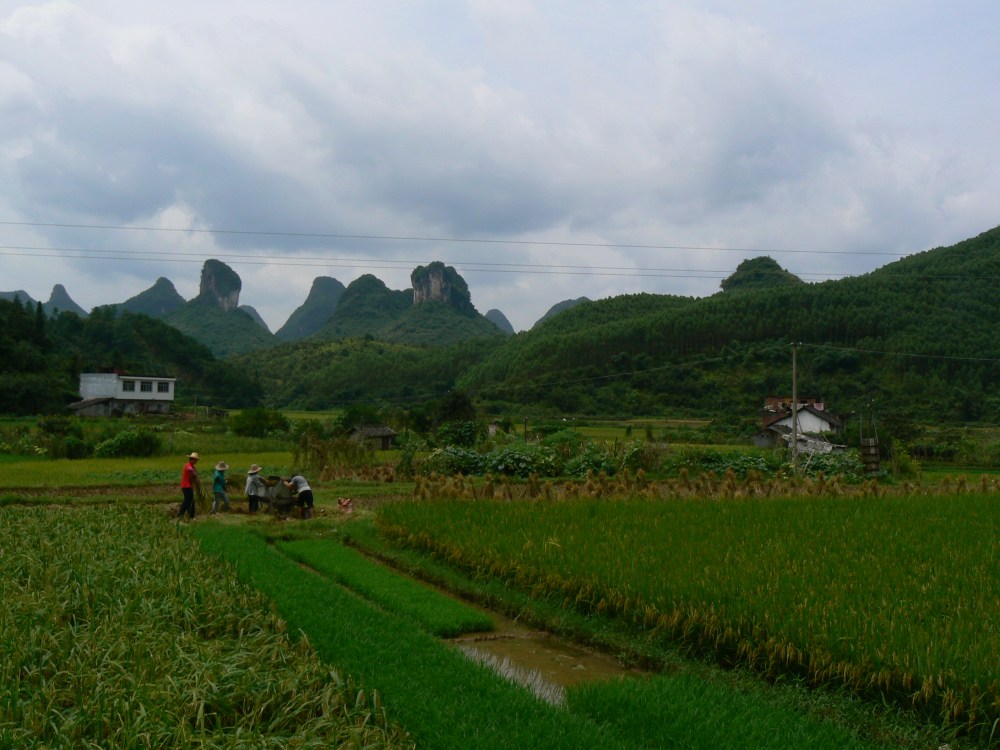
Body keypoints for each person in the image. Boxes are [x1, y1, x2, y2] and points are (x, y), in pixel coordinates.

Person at [178, 451, 200, 520]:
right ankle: (180, 515)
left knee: (191, 501)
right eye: (195, 460)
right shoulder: (188, 465)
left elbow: (193, 474)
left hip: (188, 486)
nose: (196, 461)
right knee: (187, 501)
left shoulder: (192, 466)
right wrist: (195, 474)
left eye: (196, 460)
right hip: (186, 486)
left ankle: (191, 515)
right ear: (192, 459)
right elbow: (191, 471)